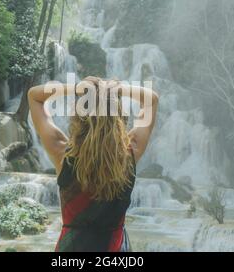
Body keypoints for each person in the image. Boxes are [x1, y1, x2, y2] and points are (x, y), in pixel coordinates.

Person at [28, 76, 159, 252]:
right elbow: (151, 99)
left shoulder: (62, 153)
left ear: (78, 116)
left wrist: (79, 88)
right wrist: (115, 90)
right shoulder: (130, 153)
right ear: (119, 115)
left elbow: (34, 96)